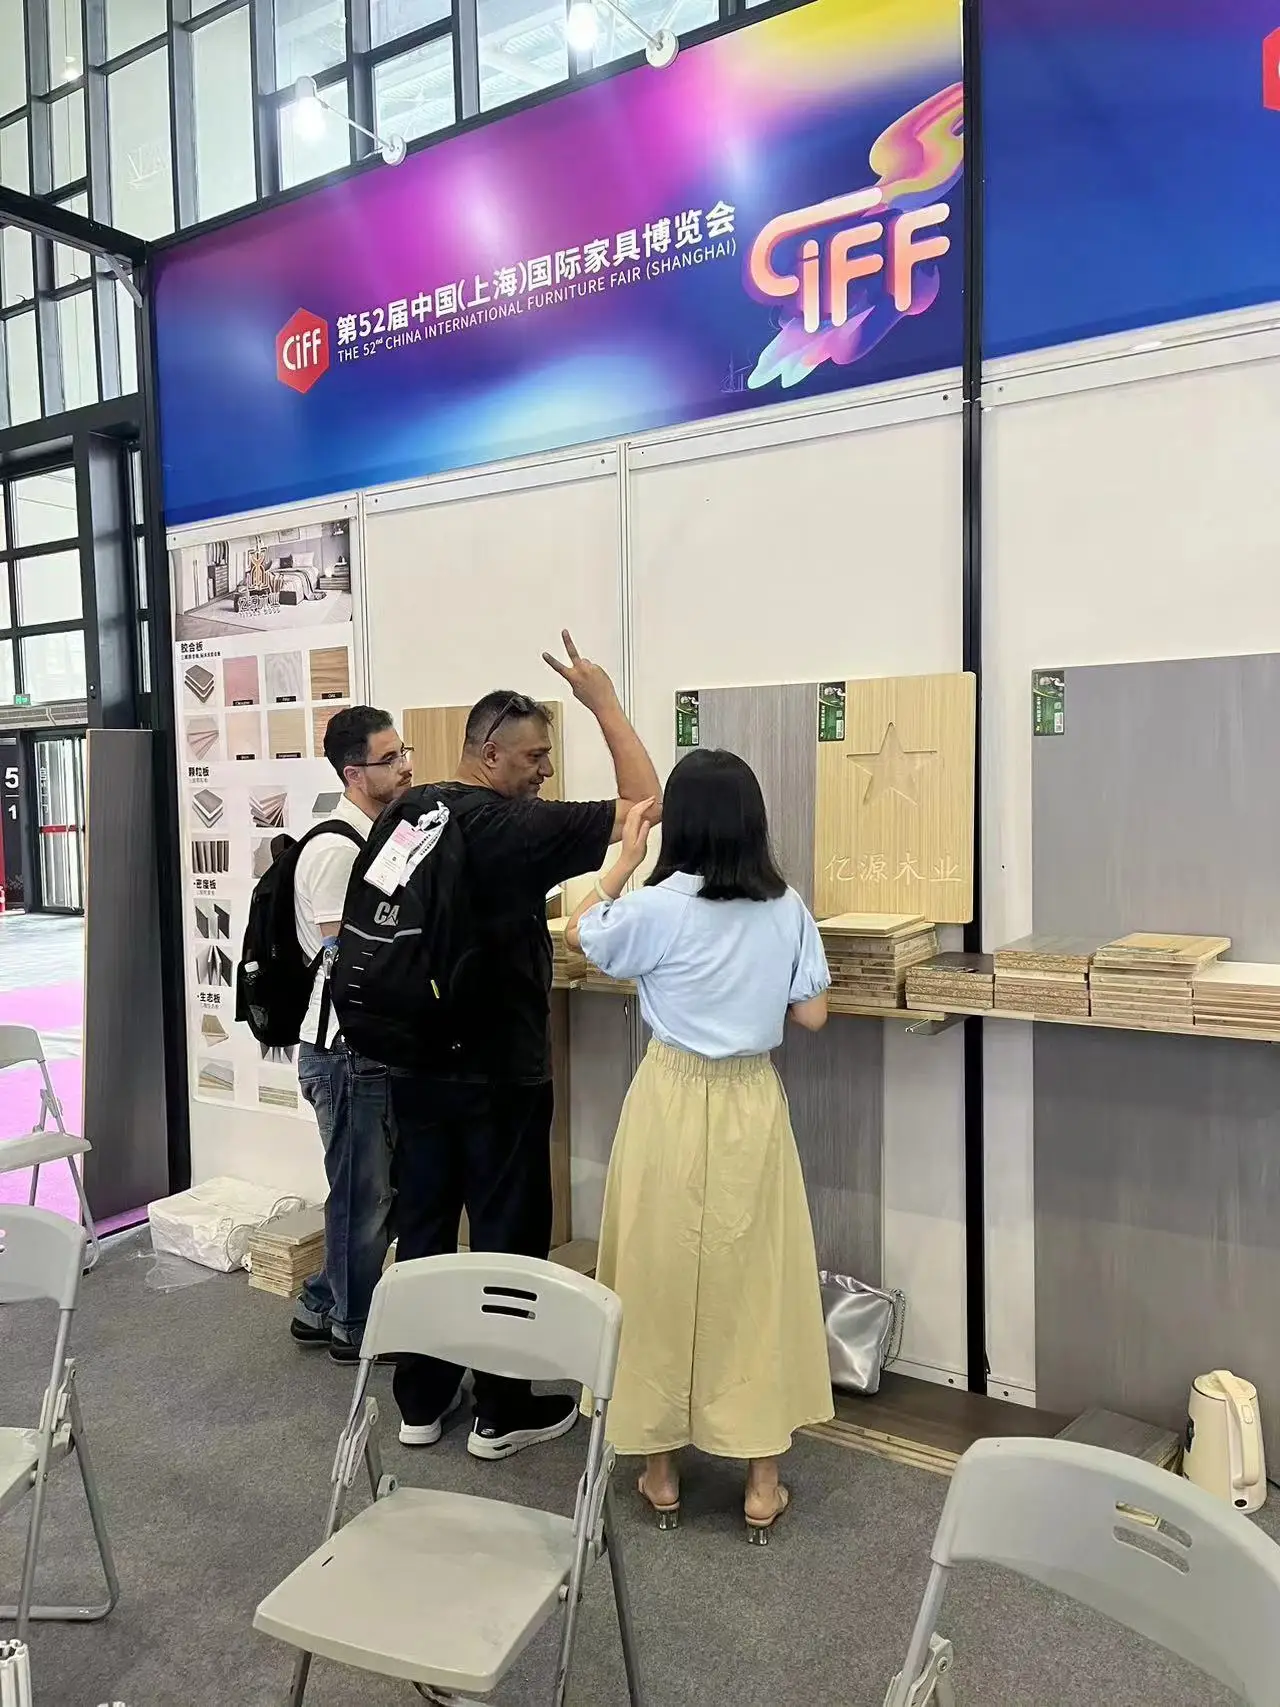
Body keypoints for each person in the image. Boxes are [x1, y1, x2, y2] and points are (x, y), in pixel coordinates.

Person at [389, 630, 661, 1460]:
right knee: (506, 1234)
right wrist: (602, 700)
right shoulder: (515, 826)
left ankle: (420, 1399)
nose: (545, 770)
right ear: (490, 754)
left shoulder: (411, 810)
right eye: (536, 756)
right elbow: (644, 802)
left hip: (413, 1061)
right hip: (499, 1069)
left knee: (425, 1228)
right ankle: (502, 1409)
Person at [565, 748, 835, 1540]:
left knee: (656, 1270)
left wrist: (624, 860)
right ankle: (761, 1481)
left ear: (677, 822)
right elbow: (812, 1013)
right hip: (752, 1101)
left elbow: (581, 931)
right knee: (756, 1282)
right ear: (753, 823)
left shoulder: (655, 907)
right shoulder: (784, 905)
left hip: (670, 1097)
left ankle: (659, 1470)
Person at [290, 705, 413, 1361]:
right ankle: (354, 1323)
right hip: (344, 1048)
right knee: (363, 1196)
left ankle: (321, 1300)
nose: (405, 767)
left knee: (369, 1189)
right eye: (389, 759)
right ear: (353, 773)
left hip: (362, 1045)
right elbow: (352, 959)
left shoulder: (372, 839)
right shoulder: (339, 850)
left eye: (403, 751)